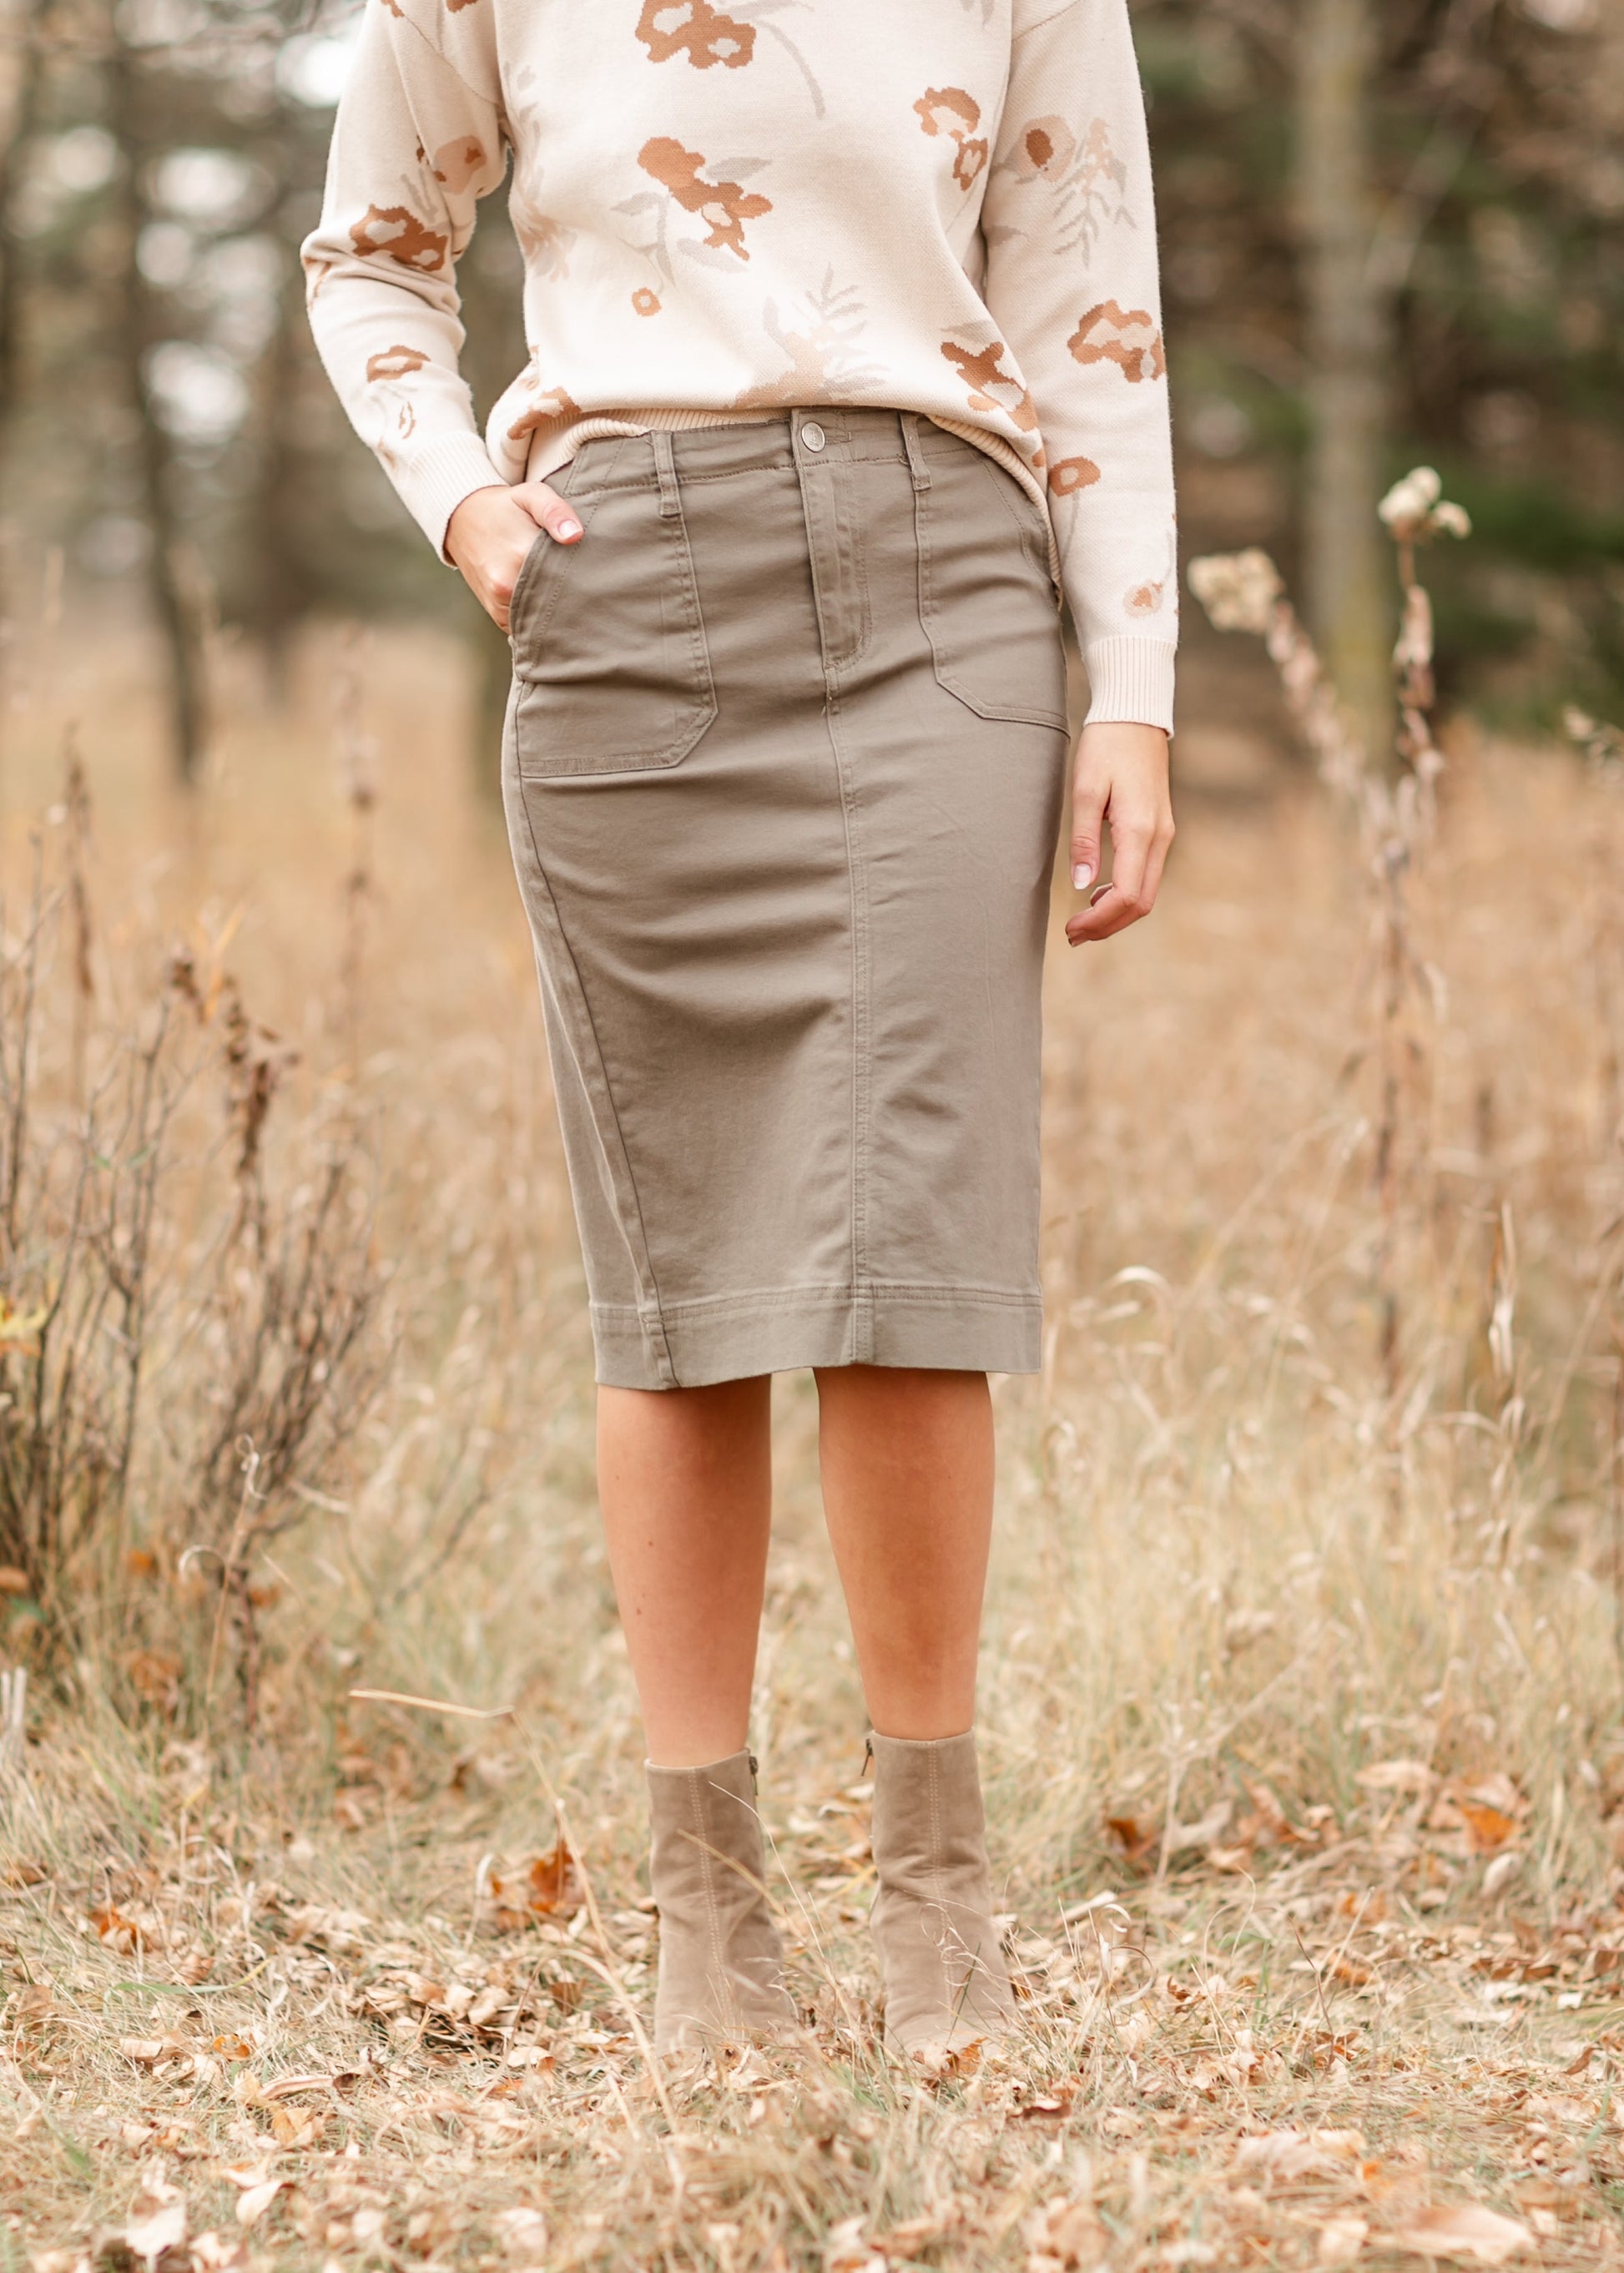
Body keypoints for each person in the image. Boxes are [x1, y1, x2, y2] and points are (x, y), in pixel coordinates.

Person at [303, 0, 1176, 2064]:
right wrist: (462, 500)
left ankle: (940, 1909)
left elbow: (1091, 311)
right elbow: (371, 251)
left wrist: (1129, 682)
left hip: (949, 606)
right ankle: (710, 1925)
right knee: (681, 1281)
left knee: (910, 1256)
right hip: (632, 608)